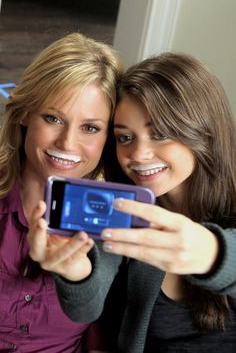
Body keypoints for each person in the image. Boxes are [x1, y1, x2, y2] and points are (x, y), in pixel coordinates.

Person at [28, 53, 236, 352]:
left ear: (202, 130)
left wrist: (214, 255)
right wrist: (76, 272)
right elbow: (86, 310)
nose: (138, 154)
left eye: (160, 134)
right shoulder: (124, 207)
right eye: (125, 137)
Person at [0, 31, 123, 352]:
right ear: (26, 113)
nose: (67, 144)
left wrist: (76, 273)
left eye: (90, 128)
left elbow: (90, 307)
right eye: (53, 118)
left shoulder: (113, 216)